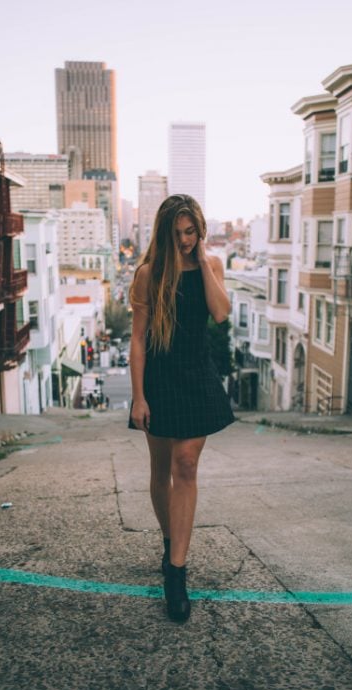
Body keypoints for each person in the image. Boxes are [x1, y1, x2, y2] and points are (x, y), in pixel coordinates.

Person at [128, 194, 234, 622]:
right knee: (160, 470)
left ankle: (176, 573)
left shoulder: (212, 267)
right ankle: (171, 541)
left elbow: (222, 314)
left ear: (200, 230)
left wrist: (205, 259)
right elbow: (137, 338)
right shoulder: (148, 275)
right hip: (160, 378)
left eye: (191, 231)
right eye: (178, 234)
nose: (186, 240)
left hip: (197, 373)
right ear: (165, 234)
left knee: (185, 463)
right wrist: (138, 396)